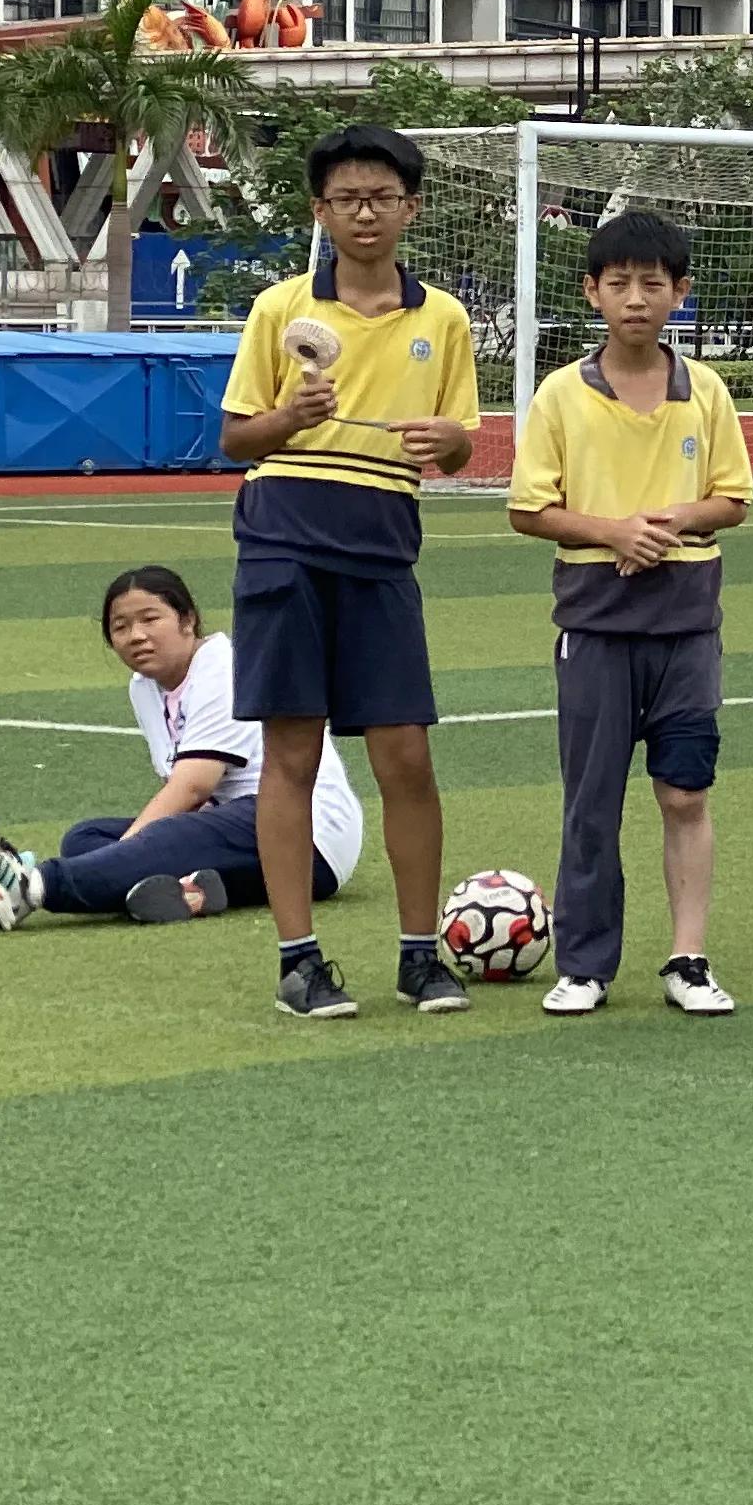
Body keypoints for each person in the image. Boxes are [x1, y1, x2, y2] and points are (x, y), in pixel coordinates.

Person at [218, 125, 486, 1019]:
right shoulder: (281, 309)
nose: (365, 214)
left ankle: (419, 955)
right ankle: (299, 962)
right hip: (284, 538)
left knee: (405, 755)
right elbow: (236, 439)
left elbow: (458, 445)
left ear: (412, 208)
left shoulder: (442, 318)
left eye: (381, 198)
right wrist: (289, 417)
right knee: (292, 751)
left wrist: (449, 442)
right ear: (319, 211)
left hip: (382, 546)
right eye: (346, 200)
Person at [507, 212, 753, 1017]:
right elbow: (529, 508)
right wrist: (614, 531)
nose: (637, 299)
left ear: (681, 292)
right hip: (597, 625)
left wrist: (671, 521)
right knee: (592, 800)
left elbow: (733, 499)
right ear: (592, 292)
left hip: (686, 626)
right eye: (620, 284)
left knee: (685, 793)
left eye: (654, 283)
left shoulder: (705, 391)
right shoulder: (561, 394)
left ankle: (688, 959)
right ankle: (584, 965)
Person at [0, 567, 360, 927]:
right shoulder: (144, 688)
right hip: (244, 837)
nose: (136, 636)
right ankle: (191, 893)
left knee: (163, 835)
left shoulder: (224, 667)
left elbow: (193, 787)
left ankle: (31, 887)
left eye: (150, 619)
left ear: (188, 620)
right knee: (85, 837)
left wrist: (132, 852)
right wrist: (133, 855)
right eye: (120, 627)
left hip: (308, 836)